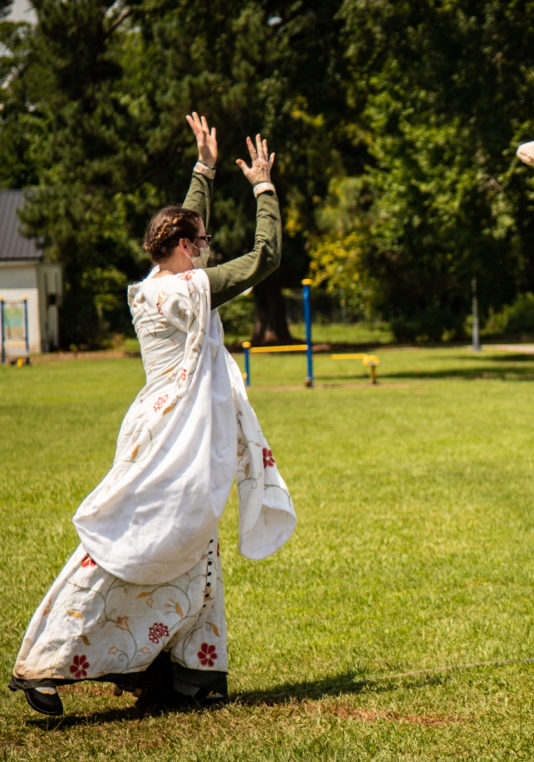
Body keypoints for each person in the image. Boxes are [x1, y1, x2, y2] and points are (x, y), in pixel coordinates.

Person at [9, 113, 296, 716]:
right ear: (185, 249)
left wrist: (205, 168)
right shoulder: (186, 290)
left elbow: (187, 226)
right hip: (174, 440)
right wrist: (264, 188)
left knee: (194, 545)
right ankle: (43, 663)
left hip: (170, 433)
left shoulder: (155, 282)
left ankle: (190, 674)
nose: (206, 247)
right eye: (201, 242)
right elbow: (265, 257)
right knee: (127, 547)